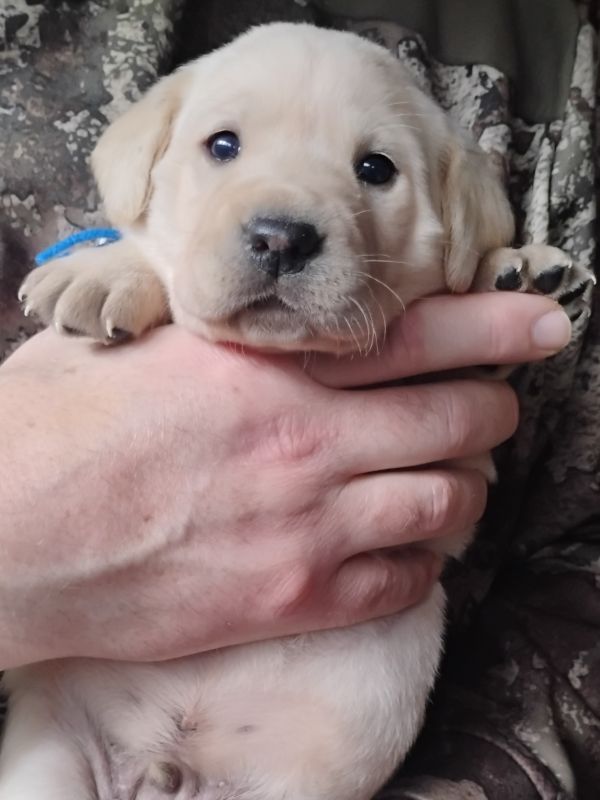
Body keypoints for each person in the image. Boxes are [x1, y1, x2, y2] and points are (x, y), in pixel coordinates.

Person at [0, 2, 598, 799]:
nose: (282, 228)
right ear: (145, 165)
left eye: (375, 168)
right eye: (224, 145)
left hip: (307, 761)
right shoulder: (123, 259)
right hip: (79, 723)